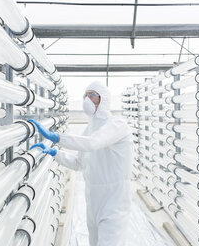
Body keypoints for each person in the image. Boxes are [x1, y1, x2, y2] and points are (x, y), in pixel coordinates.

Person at [29, 81, 133, 246]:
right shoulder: (89, 129)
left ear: (103, 99)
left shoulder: (117, 124)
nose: (87, 99)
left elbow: (93, 143)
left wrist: (56, 137)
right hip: (93, 202)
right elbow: (79, 163)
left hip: (114, 202)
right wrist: (56, 153)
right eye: (86, 95)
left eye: (92, 95)